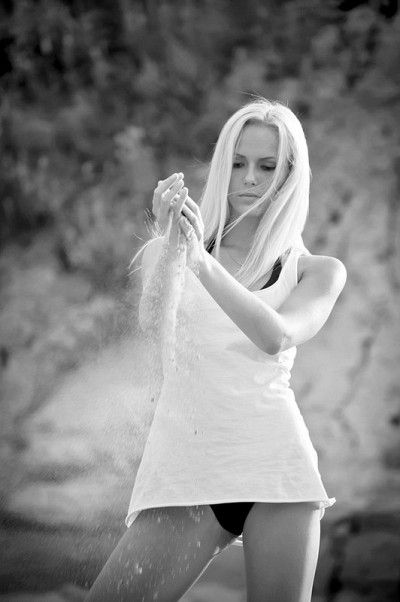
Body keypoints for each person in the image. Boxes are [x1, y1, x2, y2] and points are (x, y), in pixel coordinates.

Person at [85, 98, 347, 602]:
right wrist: (174, 242)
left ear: (290, 176)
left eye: (267, 166)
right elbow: (153, 323)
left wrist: (202, 263)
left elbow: (276, 336)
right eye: (238, 163)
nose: (249, 178)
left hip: (274, 466)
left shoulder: (317, 270)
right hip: (185, 468)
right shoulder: (170, 250)